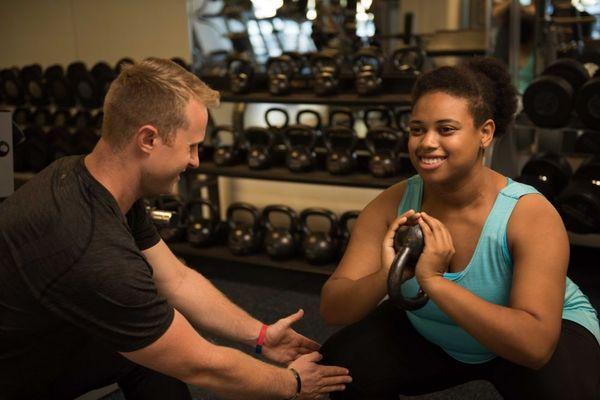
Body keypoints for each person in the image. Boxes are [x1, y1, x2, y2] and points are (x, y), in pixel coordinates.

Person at [0, 58, 352, 400]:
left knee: (155, 342)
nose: (196, 161)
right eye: (191, 146)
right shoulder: (92, 247)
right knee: (165, 348)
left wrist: (260, 336)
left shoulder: (85, 176)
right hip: (17, 376)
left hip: (53, 333)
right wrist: (293, 384)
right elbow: (204, 367)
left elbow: (175, 279)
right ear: (148, 139)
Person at [319, 57, 600, 400]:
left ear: (485, 133)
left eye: (446, 129)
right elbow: (334, 308)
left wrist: (434, 283)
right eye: (417, 129)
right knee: (336, 370)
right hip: (437, 335)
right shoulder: (393, 203)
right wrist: (392, 272)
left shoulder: (529, 213)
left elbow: (535, 347)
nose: (426, 143)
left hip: (531, 338)